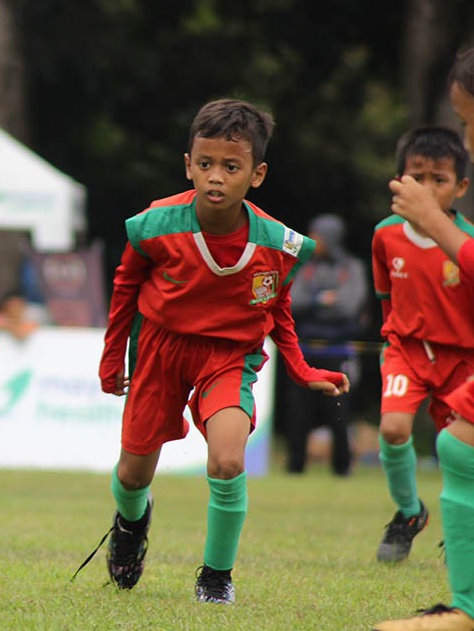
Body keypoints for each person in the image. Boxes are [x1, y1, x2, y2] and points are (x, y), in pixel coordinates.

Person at [91, 99, 348, 605]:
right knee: (131, 474)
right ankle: (130, 524)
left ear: (257, 174)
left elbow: (279, 311)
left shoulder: (279, 244)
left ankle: (215, 576)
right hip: (161, 351)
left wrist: (300, 368)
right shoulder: (154, 225)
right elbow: (124, 290)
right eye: (205, 164)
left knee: (229, 461)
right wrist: (111, 359)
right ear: (188, 164)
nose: (215, 177)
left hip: (229, 357)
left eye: (231, 167)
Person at [372, 46, 474, 631]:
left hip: (463, 355)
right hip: (410, 351)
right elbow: (386, 294)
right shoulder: (385, 236)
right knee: (456, 443)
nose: (468, 134)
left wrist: (437, 225)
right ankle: (463, 608)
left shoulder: (449, 226)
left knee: (459, 444)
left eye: (469, 119)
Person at [284, 213, 369, 476]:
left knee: (339, 411)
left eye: (318, 235)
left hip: (338, 350)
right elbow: (291, 302)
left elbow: (349, 306)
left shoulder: (351, 267)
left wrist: (313, 302)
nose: (313, 240)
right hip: (304, 350)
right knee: (298, 412)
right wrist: (324, 300)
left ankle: (342, 468)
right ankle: (295, 467)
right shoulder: (304, 265)